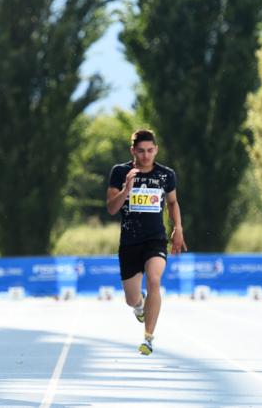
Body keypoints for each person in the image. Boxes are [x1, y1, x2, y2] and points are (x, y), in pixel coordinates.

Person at [106, 129, 187, 356]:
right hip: (130, 242)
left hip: (155, 240)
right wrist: (126, 189)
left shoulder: (165, 175)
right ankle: (140, 307)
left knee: (154, 280)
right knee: (131, 299)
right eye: (140, 151)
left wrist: (178, 228)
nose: (145, 156)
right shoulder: (120, 172)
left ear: (156, 150)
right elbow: (112, 208)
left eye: (150, 150)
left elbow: (172, 203)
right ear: (133, 151)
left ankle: (148, 338)